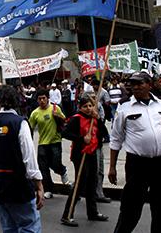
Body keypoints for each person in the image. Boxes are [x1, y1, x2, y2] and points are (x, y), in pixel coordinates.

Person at [108, 71, 161, 233]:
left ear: (149, 84)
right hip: (137, 164)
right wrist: (112, 167)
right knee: (131, 207)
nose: (135, 87)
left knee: (160, 206)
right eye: (133, 84)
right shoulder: (124, 106)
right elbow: (115, 139)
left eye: (139, 83)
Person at [0, 85, 44, 232]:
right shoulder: (19, 123)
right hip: (18, 187)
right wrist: (39, 184)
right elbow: (29, 157)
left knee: (9, 228)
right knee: (29, 226)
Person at [60, 95, 109, 227]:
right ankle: (67, 215)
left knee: (92, 182)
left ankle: (92, 212)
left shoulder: (94, 119)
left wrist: (98, 118)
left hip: (92, 152)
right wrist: (81, 139)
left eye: (90, 106)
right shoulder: (76, 119)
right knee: (80, 184)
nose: (88, 109)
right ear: (80, 107)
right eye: (85, 106)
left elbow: (104, 133)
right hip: (80, 154)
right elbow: (64, 133)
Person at [29, 89, 69, 199]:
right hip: (42, 143)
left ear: (48, 98)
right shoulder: (35, 113)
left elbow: (64, 121)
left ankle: (62, 170)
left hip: (55, 141)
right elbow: (30, 128)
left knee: (55, 163)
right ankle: (48, 189)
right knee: (43, 168)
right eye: (39, 99)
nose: (42, 101)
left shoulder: (55, 108)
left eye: (44, 98)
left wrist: (58, 116)